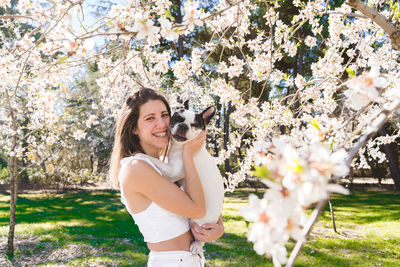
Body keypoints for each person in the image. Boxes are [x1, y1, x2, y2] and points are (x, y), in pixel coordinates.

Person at [109, 88, 224, 266]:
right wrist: (187, 154)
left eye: (164, 115)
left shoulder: (161, 164)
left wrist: (217, 227)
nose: (162, 123)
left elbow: (204, 194)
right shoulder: (136, 167)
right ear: (134, 128)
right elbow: (197, 209)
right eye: (150, 118)